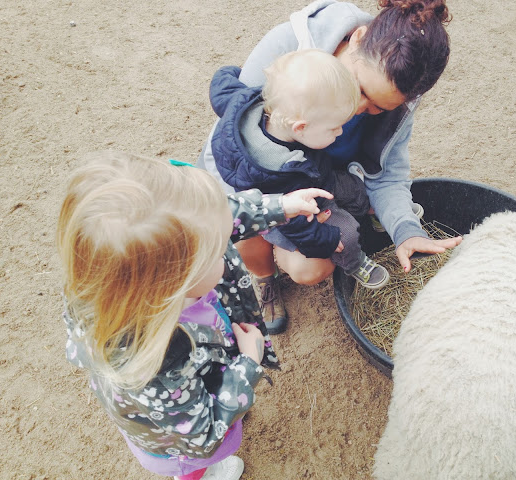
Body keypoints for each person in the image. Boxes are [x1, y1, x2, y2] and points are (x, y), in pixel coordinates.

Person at [57, 151, 331, 480]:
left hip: (204, 374)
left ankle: (229, 399)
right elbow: (200, 436)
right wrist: (247, 366)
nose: (227, 243)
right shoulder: (156, 364)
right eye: (218, 248)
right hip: (181, 446)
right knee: (196, 464)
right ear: (176, 283)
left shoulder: (149, 261)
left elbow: (219, 216)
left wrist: (279, 207)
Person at [198, 0, 462, 333]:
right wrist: (279, 213)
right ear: (357, 38)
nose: (356, 108)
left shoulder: (401, 91)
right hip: (259, 186)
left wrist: (405, 230)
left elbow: (388, 174)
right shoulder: (288, 50)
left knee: (321, 256)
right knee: (275, 248)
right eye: (361, 89)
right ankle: (265, 276)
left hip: (321, 181)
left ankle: (350, 220)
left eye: (378, 108)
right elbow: (230, 149)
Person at [210, 49, 391, 330]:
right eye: (335, 128)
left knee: (356, 190)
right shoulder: (278, 173)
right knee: (346, 234)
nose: (340, 133)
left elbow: (222, 89)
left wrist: (227, 72)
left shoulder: (247, 103)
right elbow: (297, 225)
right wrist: (326, 241)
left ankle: (373, 211)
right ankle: (355, 263)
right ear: (301, 127)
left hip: (319, 177)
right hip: (298, 208)